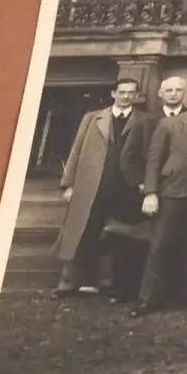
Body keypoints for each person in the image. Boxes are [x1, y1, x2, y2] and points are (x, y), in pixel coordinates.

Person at [51, 78, 148, 301]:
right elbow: (76, 150)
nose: (126, 96)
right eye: (122, 92)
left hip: (124, 189)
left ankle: (108, 284)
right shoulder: (93, 117)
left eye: (131, 93)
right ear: (114, 93)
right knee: (79, 234)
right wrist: (69, 184)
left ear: (136, 95)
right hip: (91, 186)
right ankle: (67, 284)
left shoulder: (143, 120)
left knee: (114, 237)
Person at [130, 76, 187, 316]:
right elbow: (154, 159)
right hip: (173, 191)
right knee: (159, 247)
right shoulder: (170, 124)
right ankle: (147, 300)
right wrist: (150, 192)